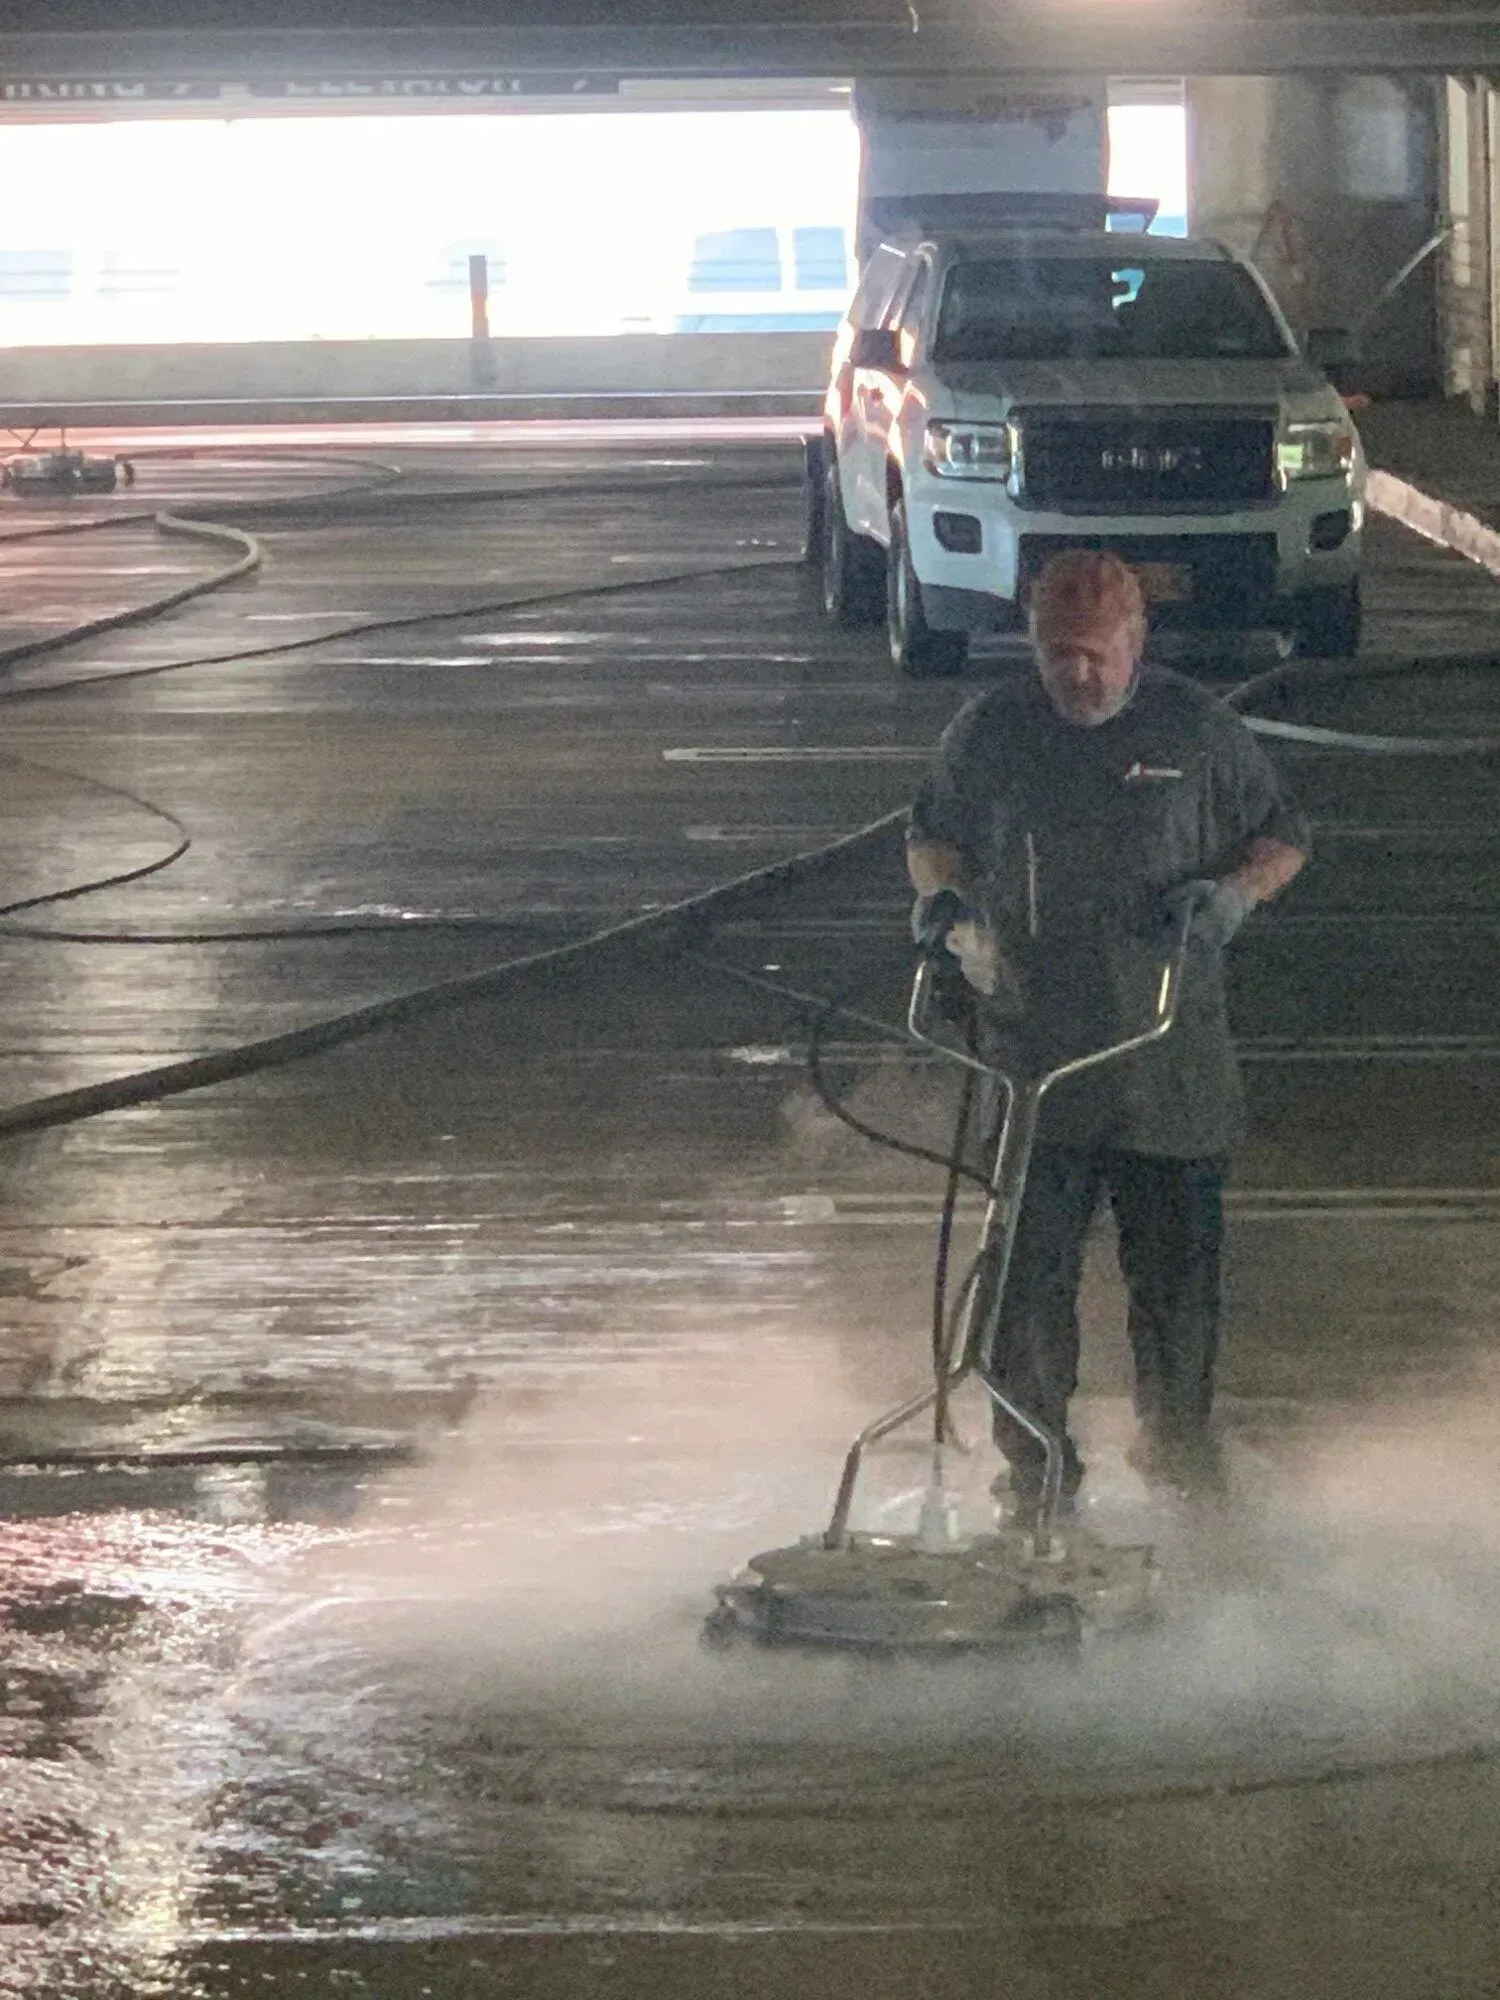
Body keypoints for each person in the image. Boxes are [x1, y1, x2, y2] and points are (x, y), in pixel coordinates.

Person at [906, 549, 1309, 1513]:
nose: (1077, 674)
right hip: (1033, 1059)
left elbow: (1283, 836)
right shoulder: (989, 735)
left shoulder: (1198, 733)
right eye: (1058, 655)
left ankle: (1179, 1457)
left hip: (1165, 1060)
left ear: (1137, 641)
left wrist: (1235, 895)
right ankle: (1037, 1470)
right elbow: (933, 837)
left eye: (1095, 653)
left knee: (1177, 1286)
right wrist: (945, 904)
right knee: (1026, 1284)